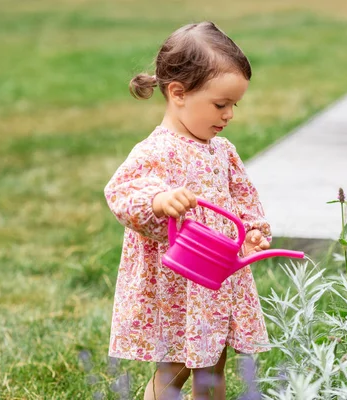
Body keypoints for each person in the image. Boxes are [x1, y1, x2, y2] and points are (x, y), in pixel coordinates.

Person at [104, 21, 272, 399]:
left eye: (233, 105)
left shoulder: (222, 150)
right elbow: (121, 192)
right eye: (220, 104)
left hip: (217, 279)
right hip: (178, 286)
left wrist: (253, 233)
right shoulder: (156, 150)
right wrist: (157, 201)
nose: (229, 115)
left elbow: (244, 198)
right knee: (175, 367)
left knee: (214, 363)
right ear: (178, 93)